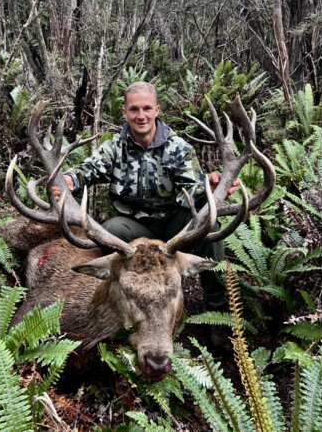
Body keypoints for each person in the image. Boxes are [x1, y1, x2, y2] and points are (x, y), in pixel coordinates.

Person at [52, 81, 238, 349]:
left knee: (208, 225)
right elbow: (87, 170)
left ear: (157, 110)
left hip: (174, 227)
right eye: (135, 109)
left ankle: (218, 310)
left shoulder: (178, 148)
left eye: (147, 108)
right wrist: (68, 179)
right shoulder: (114, 148)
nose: (141, 115)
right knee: (109, 231)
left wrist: (208, 187)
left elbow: (194, 188)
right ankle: (123, 305)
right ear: (124, 112)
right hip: (135, 228)